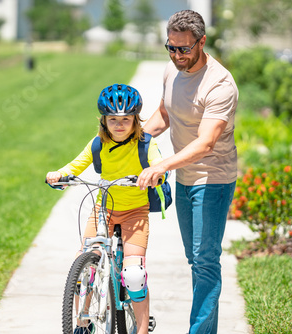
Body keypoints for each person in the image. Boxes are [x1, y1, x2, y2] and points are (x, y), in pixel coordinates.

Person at [136, 9, 239, 334]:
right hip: (185, 177)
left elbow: (206, 142)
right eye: (171, 47)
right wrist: (131, 139)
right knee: (195, 258)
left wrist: (162, 164)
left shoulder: (220, 84)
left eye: (185, 49)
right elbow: (165, 114)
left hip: (213, 179)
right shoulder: (172, 70)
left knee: (205, 261)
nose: (178, 55)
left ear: (201, 42)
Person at [46, 84, 163, 334]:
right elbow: (76, 165)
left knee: (134, 275)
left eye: (125, 119)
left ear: (135, 120)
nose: (119, 125)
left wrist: (154, 174)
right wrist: (60, 174)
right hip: (104, 209)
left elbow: (158, 165)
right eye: (113, 119)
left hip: (135, 212)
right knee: (83, 269)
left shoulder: (145, 143)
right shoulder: (98, 143)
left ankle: (141, 329)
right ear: (104, 120)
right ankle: (83, 323)